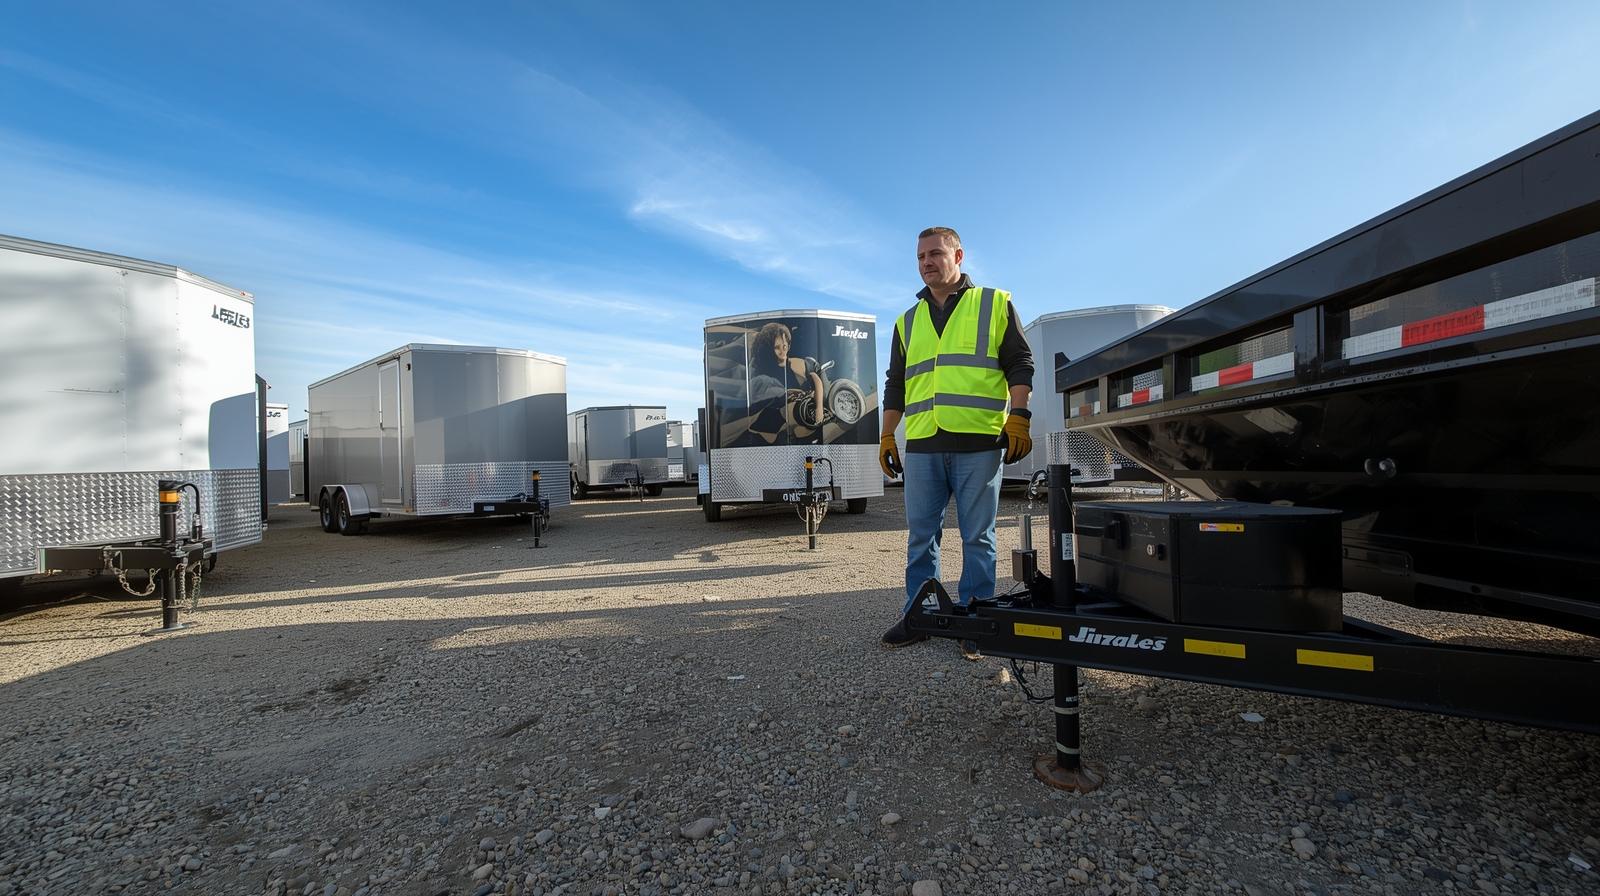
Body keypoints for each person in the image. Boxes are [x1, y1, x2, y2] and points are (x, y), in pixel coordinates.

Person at [878, 227, 1034, 658]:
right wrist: (888, 434)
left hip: (979, 441)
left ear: (958, 255)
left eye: (935, 254)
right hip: (924, 444)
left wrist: (1019, 416)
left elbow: (1020, 363)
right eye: (920, 257)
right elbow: (897, 385)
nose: (927, 262)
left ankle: (976, 617)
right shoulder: (906, 322)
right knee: (920, 538)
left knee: (977, 536)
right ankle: (920, 614)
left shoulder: (994, 303)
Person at [746, 322, 825, 444]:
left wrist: (819, 408)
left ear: (788, 345)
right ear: (769, 348)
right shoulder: (765, 371)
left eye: (784, 346)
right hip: (785, 412)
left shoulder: (795, 364)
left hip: (807, 407)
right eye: (777, 347)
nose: (782, 351)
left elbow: (816, 380)